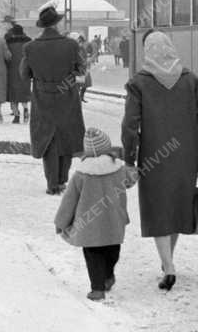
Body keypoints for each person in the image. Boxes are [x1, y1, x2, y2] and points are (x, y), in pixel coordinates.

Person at [121, 30, 198, 291]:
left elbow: (130, 125)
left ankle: (168, 265)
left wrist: (130, 158)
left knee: (158, 208)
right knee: (177, 208)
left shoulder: (139, 83)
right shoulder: (190, 80)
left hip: (153, 155)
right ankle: (168, 262)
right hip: (186, 154)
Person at [54, 127, 135, 302]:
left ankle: (97, 288)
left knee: (93, 255)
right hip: (114, 221)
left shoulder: (81, 174)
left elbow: (69, 201)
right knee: (112, 251)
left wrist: (60, 222)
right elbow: (130, 181)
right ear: (108, 147)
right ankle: (107, 276)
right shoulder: (119, 168)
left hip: (88, 224)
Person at [20, 5, 86, 195]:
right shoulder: (71, 45)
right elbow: (81, 70)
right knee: (67, 135)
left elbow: (24, 75)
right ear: (57, 23)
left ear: (42, 26)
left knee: (48, 139)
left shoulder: (30, 47)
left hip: (43, 98)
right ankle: (62, 179)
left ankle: (52, 183)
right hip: (67, 96)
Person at [5, 22, 33, 123]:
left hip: (12, 70)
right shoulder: (29, 42)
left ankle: (16, 115)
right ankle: (26, 109)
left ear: (13, 32)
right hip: (25, 71)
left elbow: (6, 57)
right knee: (24, 93)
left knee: (13, 95)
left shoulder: (8, 42)